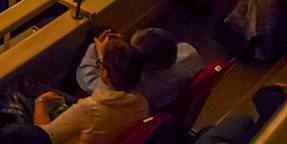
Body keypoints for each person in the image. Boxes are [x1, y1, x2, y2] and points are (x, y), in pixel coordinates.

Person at [26, 34, 152, 144]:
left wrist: (39, 103)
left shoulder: (90, 109)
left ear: (104, 73)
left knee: (33, 96)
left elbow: (43, 139)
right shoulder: (142, 104)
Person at [74, 28, 202, 111]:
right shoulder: (190, 55)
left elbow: (88, 81)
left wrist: (98, 51)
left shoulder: (130, 88)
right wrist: (122, 50)